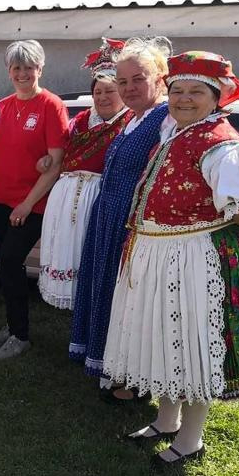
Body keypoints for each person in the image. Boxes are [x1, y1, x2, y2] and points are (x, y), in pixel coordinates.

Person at [102, 51, 239, 466]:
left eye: (196, 92)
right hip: (159, 253)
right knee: (164, 339)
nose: (184, 99)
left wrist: (225, 217)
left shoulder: (219, 144)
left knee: (191, 346)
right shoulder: (176, 130)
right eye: (177, 90)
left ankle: (190, 440)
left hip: (191, 257)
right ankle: (166, 420)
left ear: (217, 97)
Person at [69, 36, 173, 396]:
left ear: (159, 77)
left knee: (128, 301)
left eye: (138, 79)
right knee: (107, 293)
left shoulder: (165, 118)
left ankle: (130, 374)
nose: (129, 88)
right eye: (123, 81)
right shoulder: (133, 117)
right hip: (108, 218)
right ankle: (107, 362)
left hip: (131, 224)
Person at [0, 40, 69, 359]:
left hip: (33, 204)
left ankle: (20, 336)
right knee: (8, 267)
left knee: (10, 261)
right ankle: (12, 323)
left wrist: (26, 204)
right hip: (1, 199)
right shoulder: (3, 106)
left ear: (40, 69)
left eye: (29, 67)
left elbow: (55, 163)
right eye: (16, 67)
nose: (22, 73)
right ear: (9, 71)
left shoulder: (51, 105)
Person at [37, 39, 131, 309]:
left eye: (110, 91)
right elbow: (60, 154)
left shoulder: (129, 124)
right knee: (67, 253)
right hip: (66, 199)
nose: (102, 97)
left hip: (99, 200)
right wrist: (46, 160)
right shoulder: (78, 122)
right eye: (98, 91)